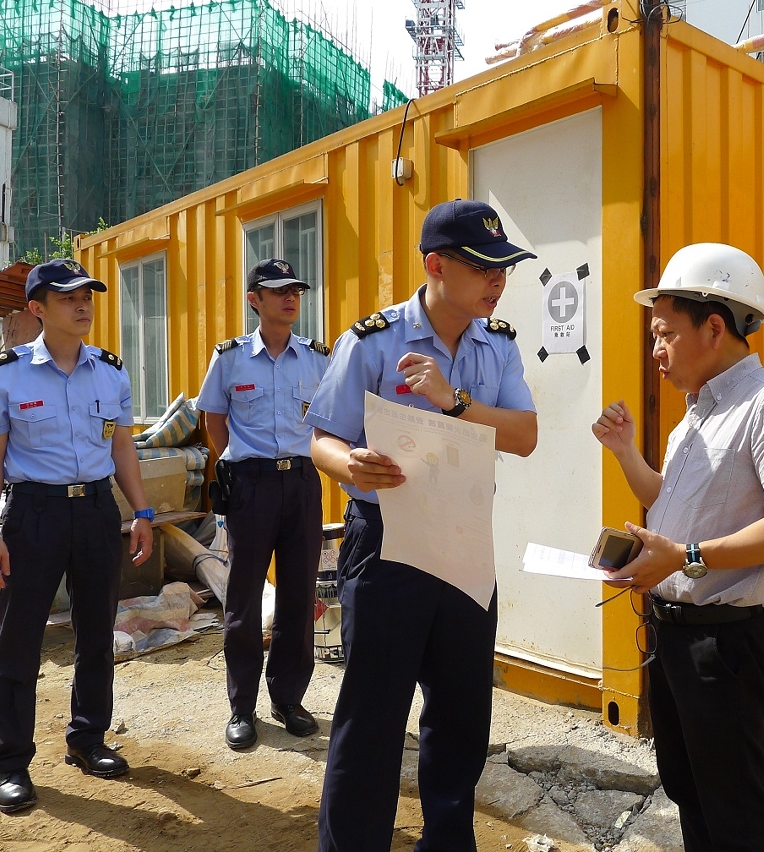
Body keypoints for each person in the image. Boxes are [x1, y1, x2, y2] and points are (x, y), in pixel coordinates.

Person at [306, 199, 538, 852]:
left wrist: (454, 402)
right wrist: (348, 462)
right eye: (484, 268)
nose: (496, 281)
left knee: (462, 717)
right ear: (435, 265)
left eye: (504, 270)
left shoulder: (498, 346)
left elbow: (524, 435)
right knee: (372, 721)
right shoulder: (373, 340)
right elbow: (321, 438)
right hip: (387, 549)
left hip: (465, 546)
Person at [592, 243, 764, 852]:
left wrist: (686, 557)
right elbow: (669, 501)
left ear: (714, 327)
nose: (656, 350)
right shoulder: (693, 417)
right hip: (675, 633)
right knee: (689, 790)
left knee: (734, 807)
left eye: (665, 334)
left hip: (725, 640)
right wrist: (625, 452)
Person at [0, 258, 156, 813]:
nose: (83, 305)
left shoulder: (110, 371)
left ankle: (88, 738)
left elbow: (122, 447)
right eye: (68, 297)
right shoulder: (5, 374)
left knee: (97, 634)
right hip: (34, 515)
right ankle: (10, 763)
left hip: (97, 511)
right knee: (19, 640)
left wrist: (141, 512)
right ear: (37, 308)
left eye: (87, 296)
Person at [197, 258, 330, 750]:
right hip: (250, 485)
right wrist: (240, 464)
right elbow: (214, 422)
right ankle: (242, 707)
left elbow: (330, 420)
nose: (290, 298)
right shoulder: (230, 358)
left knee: (298, 597)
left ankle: (289, 699)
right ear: (255, 299)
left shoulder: (318, 358)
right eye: (278, 291)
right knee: (244, 599)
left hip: (301, 482)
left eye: (295, 289)